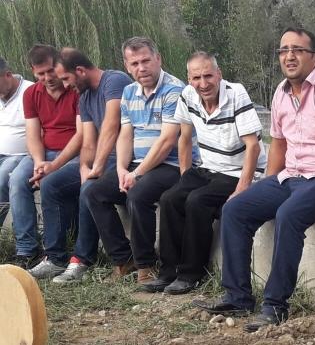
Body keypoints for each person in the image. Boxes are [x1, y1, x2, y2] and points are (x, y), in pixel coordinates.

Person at [193, 27, 315, 331]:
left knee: (289, 214)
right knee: (235, 209)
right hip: (291, 176)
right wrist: (268, 189)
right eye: (283, 50)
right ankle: (238, 295)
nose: (289, 56)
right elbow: (279, 144)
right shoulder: (281, 92)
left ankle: (275, 305)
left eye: (297, 50)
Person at [141, 51, 266, 294]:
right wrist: (185, 176)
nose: (203, 83)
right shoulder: (188, 96)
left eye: (208, 76)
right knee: (170, 198)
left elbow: (253, 146)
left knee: (197, 201)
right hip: (208, 168)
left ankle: (191, 274)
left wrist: (242, 188)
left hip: (236, 171)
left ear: (219, 74)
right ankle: (168, 272)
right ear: (189, 79)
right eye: (196, 77)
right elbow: (184, 138)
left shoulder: (236, 94)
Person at [85, 37, 199, 283]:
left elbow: (168, 140)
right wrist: (121, 169)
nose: (141, 68)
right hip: (137, 165)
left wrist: (135, 175)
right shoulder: (128, 92)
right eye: (134, 63)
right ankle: (123, 260)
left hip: (171, 164)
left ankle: (146, 265)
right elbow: (126, 135)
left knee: (138, 194)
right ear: (127, 66)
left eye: (146, 60)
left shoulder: (175, 90)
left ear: (158, 59)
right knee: (94, 193)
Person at [41, 48, 132, 283]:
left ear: (80, 71)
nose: (64, 85)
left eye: (66, 78)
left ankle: (81, 259)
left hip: (124, 157)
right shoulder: (84, 96)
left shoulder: (115, 81)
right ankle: (54, 257)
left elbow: (112, 127)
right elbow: (88, 141)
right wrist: (84, 167)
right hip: (101, 158)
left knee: (89, 188)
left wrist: (96, 169)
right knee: (51, 183)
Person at [8, 45, 82, 274]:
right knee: (18, 179)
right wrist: (40, 163)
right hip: (45, 152)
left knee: (52, 181)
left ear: (59, 65)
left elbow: (83, 135)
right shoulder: (31, 94)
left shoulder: (75, 89)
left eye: (51, 71)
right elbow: (32, 133)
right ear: (33, 72)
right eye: (41, 74)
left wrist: (52, 167)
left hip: (74, 153)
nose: (48, 78)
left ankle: (56, 255)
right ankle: (27, 250)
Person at [0, 57, 33, 235]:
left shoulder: (29, 91)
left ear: (8, 75)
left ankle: (26, 246)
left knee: (3, 177)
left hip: (20, 155)